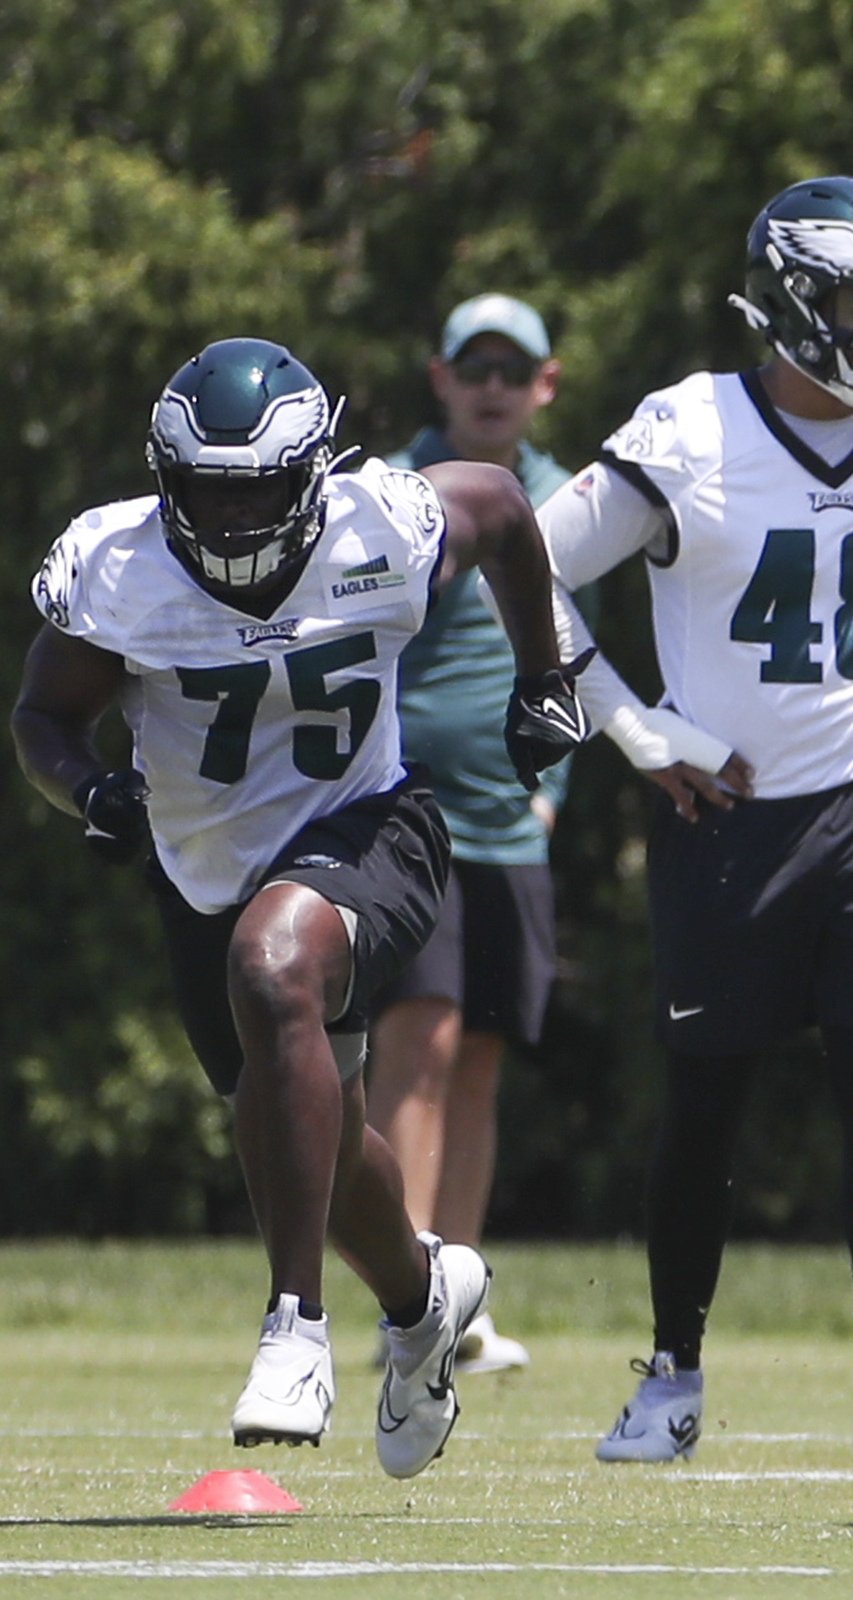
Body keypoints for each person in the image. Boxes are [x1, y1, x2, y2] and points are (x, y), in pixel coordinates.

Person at [537, 176, 853, 1465]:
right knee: (706, 1097)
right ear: (789, 303)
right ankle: (671, 1376)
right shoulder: (691, 431)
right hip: (729, 810)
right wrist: (628, 722)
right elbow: (530, 565)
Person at [10, 338, 585, 1473]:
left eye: (259, 491)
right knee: (319, 1148)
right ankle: (427, 1297)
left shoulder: (384, 525)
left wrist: (545, 677)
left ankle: (295, 1326)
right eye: (209, 494)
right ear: (167, 482)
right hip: (200, 868)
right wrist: (90, 789)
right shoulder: (117, 566)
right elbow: (42, 717)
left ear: (313, 474)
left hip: (371, 828)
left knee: (276, 967)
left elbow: (511, 509)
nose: (232, 522)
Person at [366, 295, 575, 1376]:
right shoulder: (399, 494)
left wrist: (556, 792)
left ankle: (463, 1292)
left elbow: (573, 647)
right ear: (440, 378)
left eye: (515, 368)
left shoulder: (567, 495)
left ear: (545, 385)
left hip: (513, 821)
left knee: (481, 1057)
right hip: (412, 809)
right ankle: (403, 1296)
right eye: (474, 366)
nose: (493, 384)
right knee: (422, 1042)